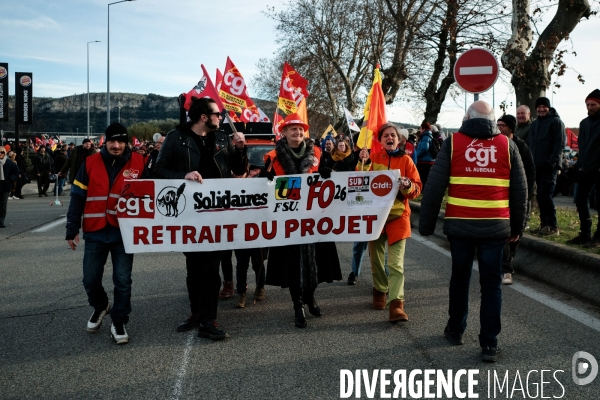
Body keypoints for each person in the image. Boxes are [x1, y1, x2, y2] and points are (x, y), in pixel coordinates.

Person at [419, 101, 527, 363]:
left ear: (467, 117)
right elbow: (520, 191)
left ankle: (455, 330)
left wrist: (426, 225)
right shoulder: (507, 145)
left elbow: (434, 187)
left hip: (460, 225)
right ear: (493, 119)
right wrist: (517, 228)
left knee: (460, 278)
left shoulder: (453, 143)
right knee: (492, 285)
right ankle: (489, 344)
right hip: (495, 227)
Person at [153, 97, 247, 340]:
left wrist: (239, 149)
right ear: (203, 117)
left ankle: (208, 319)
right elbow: (158, 170)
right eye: (217, 114)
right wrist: (183, 175)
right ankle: (196, 313)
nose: (220, 117)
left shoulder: (222, 138)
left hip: (217, 212)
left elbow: (237, 170)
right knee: (193, 268)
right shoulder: (176, 138)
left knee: (210, 267)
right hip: (187, 215)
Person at [65, 123, 145, 344]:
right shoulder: (89, 163)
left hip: (124, 233)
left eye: (121, 141)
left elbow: (154, 193)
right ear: (105, 141)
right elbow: (77, 197)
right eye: (112, 141)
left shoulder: (140, 163)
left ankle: (119, 321)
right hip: (95, 232)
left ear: (127, 142)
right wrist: (71, 229)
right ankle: (101, 306)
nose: (116, 146)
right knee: (90, 279)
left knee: (122, 280)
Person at [264, 112, 342, 328]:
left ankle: (310, 297)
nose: (297, 133)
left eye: (300, 129)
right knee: (291, 264)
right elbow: (263, 189)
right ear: (284, 132)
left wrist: (327, 172)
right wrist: (266, 179)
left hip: (313, 218)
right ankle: (297, 304)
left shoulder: (317, 152)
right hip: (288, 218)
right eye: (292, 129)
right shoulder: (272, 157)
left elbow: (328, 176)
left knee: (317, 262)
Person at [356, 123, 421, 321]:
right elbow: (357, 183)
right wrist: (363, 164)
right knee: (376, 260)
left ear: (399, 139)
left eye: (393, 135)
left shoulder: (407, 161)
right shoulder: (373, 158)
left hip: (398, 218)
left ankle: (396, 304)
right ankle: (379, 290)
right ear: (380, 140)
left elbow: (417, 189)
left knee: (396, 265)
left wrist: (408, 186)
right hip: (374, 218)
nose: (390, 138)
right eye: (386, 136)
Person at [497, 115, 535, 285]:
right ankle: (506, 269)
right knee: (505, 230)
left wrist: (527, 193)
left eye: (502, 126)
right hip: (502, 195)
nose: (499, 128)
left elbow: (530, 171)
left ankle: (508, 260)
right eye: (497, 125)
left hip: (520, 194)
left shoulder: (522, 147)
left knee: (517, 232)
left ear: (511, 128)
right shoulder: (496, 144)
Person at [526, 97, 566, 236]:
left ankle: (553, 226)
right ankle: (544, 224)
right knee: (541, 196)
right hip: (537, 166)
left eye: (544, 107)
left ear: (548, 108)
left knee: (546, 195)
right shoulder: (535, 124)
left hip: (549, 166)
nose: (541, 109)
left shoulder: (556, 122)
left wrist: (552, 162)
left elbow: (559, 144)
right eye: (539, 107)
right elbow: (531, 144)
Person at [567, 89, 600, 248]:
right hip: (586, 169)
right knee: (580, 199)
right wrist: (578, 166)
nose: (590, 107)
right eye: (588, 104)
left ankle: (598, 237)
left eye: (593, 104)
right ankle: (585, 234)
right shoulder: (584, 123)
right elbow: (582, 147)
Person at [0, 148, 20, 228]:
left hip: (5, 186)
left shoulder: (9, 163)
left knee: (3, 205)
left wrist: (9, 180)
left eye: (2, 152)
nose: (1, 153)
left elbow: (16, 172)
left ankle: (1, 221)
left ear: (5, 153)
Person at [415, 122, 435, 186]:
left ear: (423, 129)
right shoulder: (427, 136)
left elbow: (424, 148)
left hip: (425, 161)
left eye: (420, 128)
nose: (420, 130)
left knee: (424, 177)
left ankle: (423, 190)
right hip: (427, 160)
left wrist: (416, 155)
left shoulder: (425, 137)